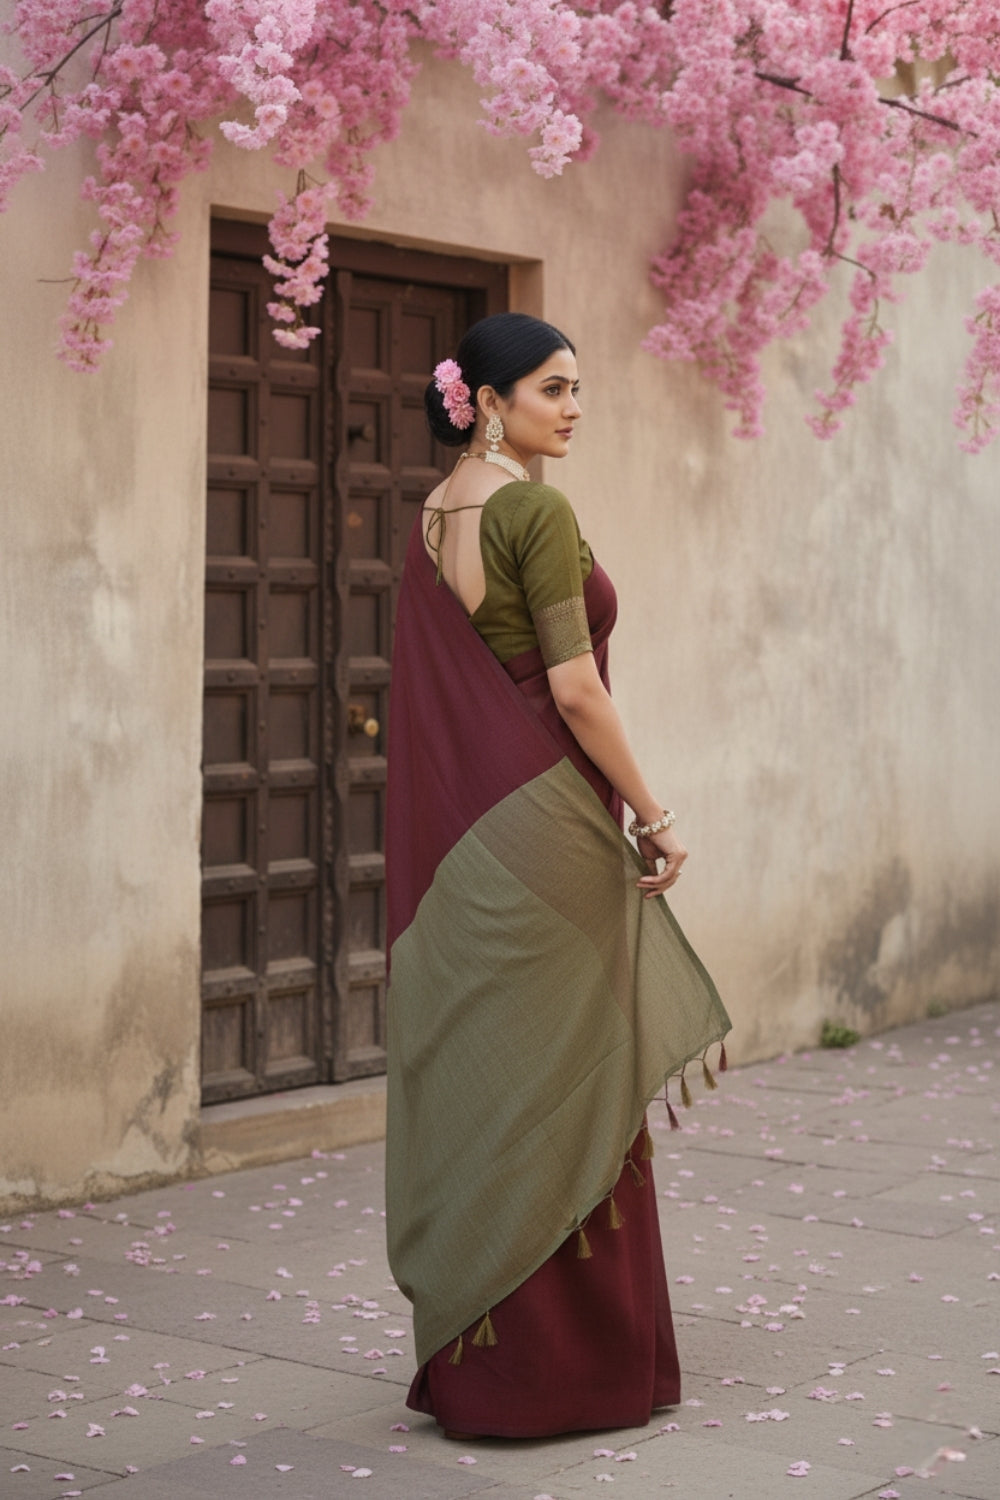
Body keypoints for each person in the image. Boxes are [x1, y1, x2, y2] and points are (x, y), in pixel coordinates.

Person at [384, 312, 730, 1440]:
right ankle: (570, 1373)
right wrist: (656, 815)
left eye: (578, 387)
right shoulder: (534, 510)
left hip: (470, 843)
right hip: (552, 829)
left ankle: (488, 1371)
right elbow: (576, 691)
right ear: (488, 401)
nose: (574, 407)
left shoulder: (434, 514)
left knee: (503, 1077)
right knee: (573, 1069)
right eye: (552, 388)